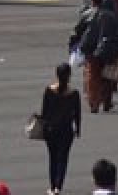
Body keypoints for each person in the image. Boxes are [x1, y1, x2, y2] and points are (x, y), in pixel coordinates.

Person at [72, 0, 118, 113]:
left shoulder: (87, 14)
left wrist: (74, 44)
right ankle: (107, 102)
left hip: (91, 50)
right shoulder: (113, 15)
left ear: (93, 1)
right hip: (109, 50)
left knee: (93, 77)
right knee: (109, 76)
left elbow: (77, 31)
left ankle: (94, 103)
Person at [39, 62, 80, 195]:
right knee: (63, 158)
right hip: (66, 131)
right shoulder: (74, 93)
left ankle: (52, 186)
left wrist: (43, 128)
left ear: (56, 75)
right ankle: (58, 186)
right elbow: (77, 114)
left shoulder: (49, 91)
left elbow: (44, 113)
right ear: (69, 76)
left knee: (53, 158)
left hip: (51, 130)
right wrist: (78, 129)